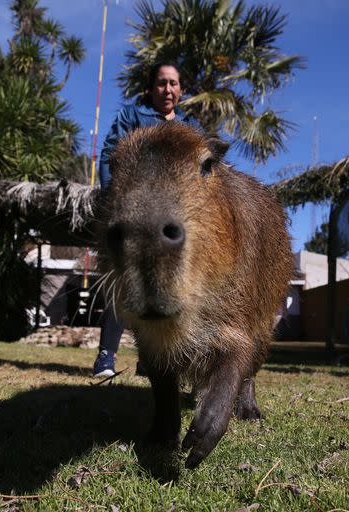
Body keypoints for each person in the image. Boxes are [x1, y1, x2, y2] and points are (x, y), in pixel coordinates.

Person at [93, 62, 202, 377]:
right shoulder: (132, 117)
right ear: (152, 88)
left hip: (173, 216)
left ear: (180, 90)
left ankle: (152, 361)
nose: (167, 90)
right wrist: (111, 198)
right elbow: (110, 154)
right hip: (133, 212)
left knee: (165, 287)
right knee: (121, 280)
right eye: (161, 83)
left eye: (173, 84)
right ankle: (105, 357)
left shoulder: (189, 127)